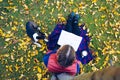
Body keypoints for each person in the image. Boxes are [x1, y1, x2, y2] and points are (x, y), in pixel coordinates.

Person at [43, 12, 93, 80]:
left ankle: (69, 20)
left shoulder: (47, 60)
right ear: (74, 59)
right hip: (65, 52)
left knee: (67, 31)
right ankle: (75, 22)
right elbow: (78, 62)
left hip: (58, 49)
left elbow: (47, 54)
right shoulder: (75, 69)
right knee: (76, 33)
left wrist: (54, 51)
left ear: (57, 53)